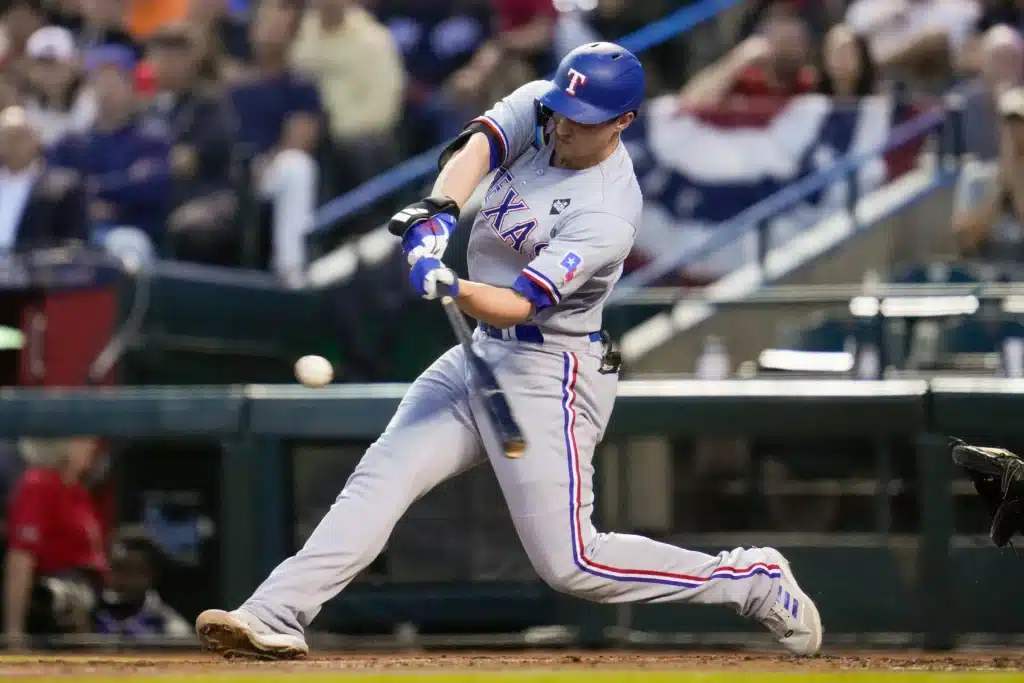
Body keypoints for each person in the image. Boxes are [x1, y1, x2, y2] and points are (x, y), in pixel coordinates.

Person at [194, 42, 823, 661]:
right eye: (563, 111)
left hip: (552, 370)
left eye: (585, 119)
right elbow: (479, 148)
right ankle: (276, 612)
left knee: (572, 563)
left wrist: (453, 286)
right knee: (380, 479)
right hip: (479, 354)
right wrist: (440, 212)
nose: (565, 125)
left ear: (623, 122)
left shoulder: (608, 210)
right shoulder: (546, 105)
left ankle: (750, 579)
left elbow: (521, 303)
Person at [3, 438, 108, 646]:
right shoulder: (39, 484)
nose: (92, 446)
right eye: (83, 439)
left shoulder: (77, 490)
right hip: (54, 605)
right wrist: (14, 631)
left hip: (89, 604)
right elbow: (21, 557)